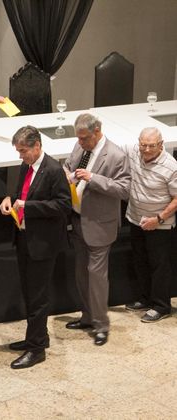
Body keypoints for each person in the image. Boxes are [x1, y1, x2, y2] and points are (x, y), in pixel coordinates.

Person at [0, 126, 71, 369]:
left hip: (43, 243)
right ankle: (38, 336)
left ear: (37, 146)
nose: (20, 155)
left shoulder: (53, 170)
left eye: (23, 150)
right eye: (18, 151)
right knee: (29, 293)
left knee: (38, 297)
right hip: (24, 237)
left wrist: (27, 206)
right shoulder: (27, 166)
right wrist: (10, 199)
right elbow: (22, 193)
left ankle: (36, 349)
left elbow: (63, 206)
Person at [63, 113, 130, 346]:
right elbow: (67, 166)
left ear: (97, 131)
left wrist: (93, 178)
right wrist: (67, 175)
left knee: (96, 277)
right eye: (78, 138)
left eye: (84, 138)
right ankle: (87, 317)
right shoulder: (79, 146)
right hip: (78, 220)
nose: (80, 142)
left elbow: (124, 189)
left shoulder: (116, 155)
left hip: (100, 225)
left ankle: (101, 325)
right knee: (81, 274)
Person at [123, 127, 177, 322]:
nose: (146, 150)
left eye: (151, 146)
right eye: (143, 145)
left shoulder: (171, 167)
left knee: (159, 266)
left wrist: (158, 219)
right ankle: (145, 298)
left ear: (161, 145)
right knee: (140, 261)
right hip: (136, 219)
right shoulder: (134, 152)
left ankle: (162, 306)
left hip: (159, 224)